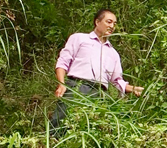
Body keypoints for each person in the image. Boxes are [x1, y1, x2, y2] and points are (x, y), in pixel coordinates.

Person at [49, 9, 144, 137]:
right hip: (76, 86)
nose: (112, 26)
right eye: (109, 22)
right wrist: (61, 84)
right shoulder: (79, 38)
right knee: (61, 122)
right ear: (97, 22)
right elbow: (63, 62)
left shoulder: (113, 54)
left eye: (114, 24)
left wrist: (133, 89)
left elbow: (117, 81)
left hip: (99, 93)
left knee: (88, 131)